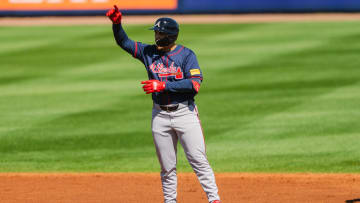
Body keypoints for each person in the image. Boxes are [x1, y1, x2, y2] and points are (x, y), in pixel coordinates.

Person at [106, 5, 221, 203]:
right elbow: (124, 42)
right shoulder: (148, 52)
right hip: (159, 116)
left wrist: (162, 85)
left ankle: (214, 199)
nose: (156, 36)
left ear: (169, 36)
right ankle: (170, 201)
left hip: (185, 114)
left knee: (198, 160)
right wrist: (117, 24)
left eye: (159, 33)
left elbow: (194, 84)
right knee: (167, 167)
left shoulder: (186, 56)